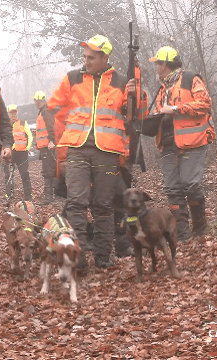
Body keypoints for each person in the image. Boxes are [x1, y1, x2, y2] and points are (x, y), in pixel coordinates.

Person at [47, 35, 135, 269]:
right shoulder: (72, 78)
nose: (86, 61)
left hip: (107, 151)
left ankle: (103, 257)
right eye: (84, 56)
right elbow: (54, 107)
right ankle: (80, 255)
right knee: (76, 203)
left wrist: (138, 93)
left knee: (104, 206)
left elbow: (134, 115)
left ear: (105, 58)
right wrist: (75, 120)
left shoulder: (121, 81)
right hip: (77, 148)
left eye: (91, 57)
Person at [148, 46, 215, 241]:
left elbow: (205, 104)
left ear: (165, 64)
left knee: (191, 184)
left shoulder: (191, 79)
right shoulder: (162, 88)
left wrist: (176, 108)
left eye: (158, 64)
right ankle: (183, 236)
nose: (156, 67)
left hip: (193, 142)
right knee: (172, 189)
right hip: (168, 144)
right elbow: (163, 112)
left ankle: (201, 230)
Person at [113, 59, 149, 258]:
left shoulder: (135, 93)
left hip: (123, 156)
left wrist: (136, 95)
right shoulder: (110, 91)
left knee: (122, 198)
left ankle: (126, 241)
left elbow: (138, 117)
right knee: (104, 200)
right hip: (106, 152)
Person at [4, 104, 33, 204]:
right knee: (8, 175)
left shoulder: (23, 123)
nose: (13, 115)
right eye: (11, 113)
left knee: (25, 174)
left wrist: (27, 148)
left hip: (22, 153)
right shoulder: (5, 125)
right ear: (8, 113)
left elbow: (30, 136)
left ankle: (28, 196)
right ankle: (9, 196)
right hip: (10, 154)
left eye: (15, 112)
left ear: (17, 112)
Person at [33, 91, 57, 205]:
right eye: (37, 101)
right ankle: (51, 194)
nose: (37, 103)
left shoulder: (46, 112)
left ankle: (49, 196)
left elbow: (51, 127)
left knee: (48, 171)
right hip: (44, 146)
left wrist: (52, 141)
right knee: (48, 170)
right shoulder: (42, 112)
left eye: (39, 101)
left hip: (48, 146)